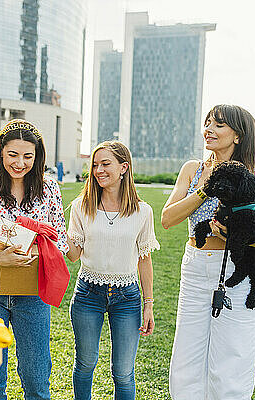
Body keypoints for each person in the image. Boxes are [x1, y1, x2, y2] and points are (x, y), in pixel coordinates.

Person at [162, 104, 255, 399]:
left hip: (236, 270)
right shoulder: (192, 169)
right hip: (194, 268)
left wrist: (240, 239)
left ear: (238, 135)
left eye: (218, 125)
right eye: (207, 122)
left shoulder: (253, 177)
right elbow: (168, 219)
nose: (208, 129)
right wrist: (206, 188)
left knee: (231, 365)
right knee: (186, 362)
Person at [0, 119, 69, 400]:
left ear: (37, 157)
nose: (20, 163)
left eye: (28, 156)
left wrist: (36, 250)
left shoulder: (49, 189)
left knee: (36, 375)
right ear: (0, 153)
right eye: (12, 155)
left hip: (32, 288)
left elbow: (60, 236)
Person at [66, 141, 158, 400]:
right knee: (85, 364)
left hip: (127, 298)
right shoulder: (81, 207)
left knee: (123, 373)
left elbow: (144, 259)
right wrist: (62, 238)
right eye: (95, 165)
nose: (98, 170)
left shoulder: (142, 212)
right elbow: (74, 256)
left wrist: (148, 304)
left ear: (123, 168)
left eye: (105, 164)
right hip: (87, 294)